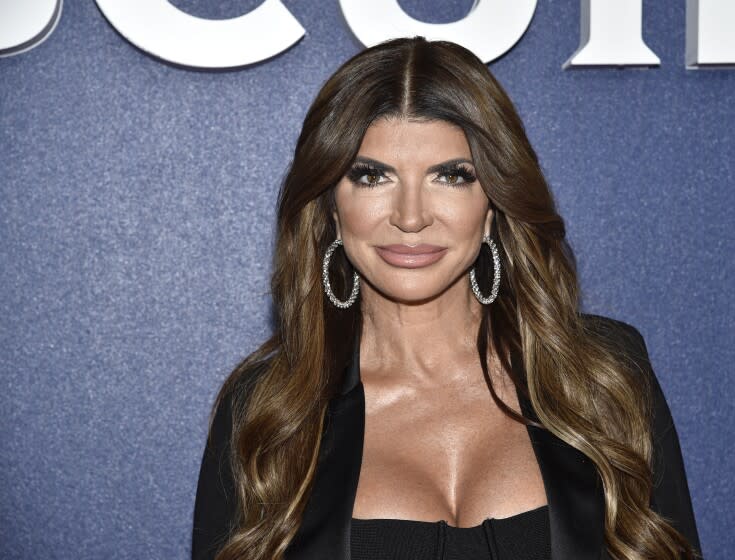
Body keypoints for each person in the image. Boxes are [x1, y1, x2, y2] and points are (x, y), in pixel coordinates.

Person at [191, 36, 703, 560]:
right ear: (328, 207)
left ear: (492, 204)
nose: (411, 216)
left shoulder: (601, 375)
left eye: (451, 176)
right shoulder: (270, 412)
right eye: (372, 176)